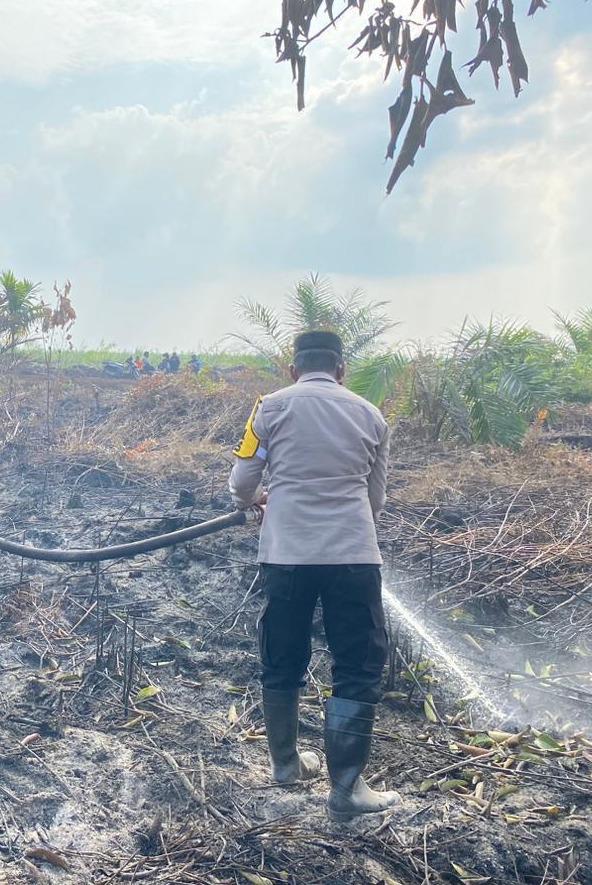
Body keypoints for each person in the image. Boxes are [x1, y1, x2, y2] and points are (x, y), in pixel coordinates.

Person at [229, 330, 398, 822]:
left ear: (292, 369)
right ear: (342, 370)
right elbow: (376, 501)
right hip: (352, 555)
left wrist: (256, 502)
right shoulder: (370, 414)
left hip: (286, 553)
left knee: (282, 652)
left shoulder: (270, 408)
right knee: (357, 662)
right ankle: (347, 789)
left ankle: (286, 765)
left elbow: (243, 483)